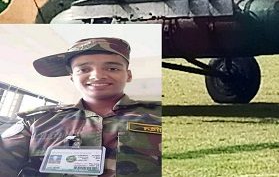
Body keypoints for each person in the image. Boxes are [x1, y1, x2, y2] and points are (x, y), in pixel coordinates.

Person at [0, 37, 161, 176]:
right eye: (84, 69)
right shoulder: (37, 121)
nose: (97, 75)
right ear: (72, 78)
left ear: (129, 75)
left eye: (112, 68)